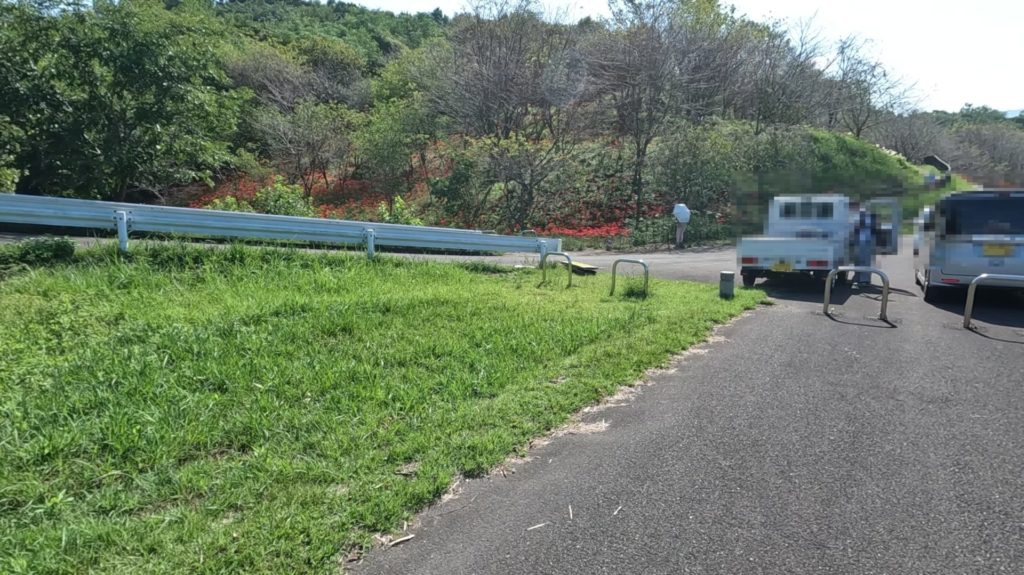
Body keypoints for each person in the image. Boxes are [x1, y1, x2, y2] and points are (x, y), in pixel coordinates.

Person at [853, 208, 876, 286]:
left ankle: (863, 280)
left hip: (863, 240)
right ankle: (861, 278)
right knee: (862, 261)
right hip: (864, 240)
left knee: (862, 261)